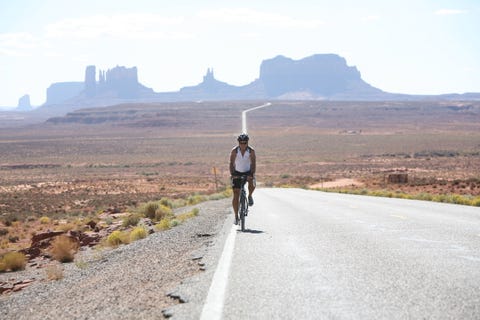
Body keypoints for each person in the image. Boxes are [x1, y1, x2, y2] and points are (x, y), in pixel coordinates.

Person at [230, 133, 256, 225]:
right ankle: (236, 217)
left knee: (252, 183)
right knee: (236, 194)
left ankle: (249, 196)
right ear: (239, 142)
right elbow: (231, 163)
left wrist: (251, 174)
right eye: (241, 143)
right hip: (237, 172)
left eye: (245, 143)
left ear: (247, 142)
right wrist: (232, 174)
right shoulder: (234, 151)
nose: (243, 144)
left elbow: (253, 163)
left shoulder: (251, 151)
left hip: (247, 172)